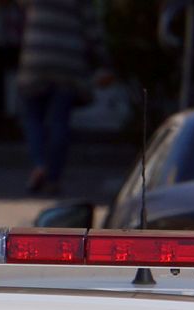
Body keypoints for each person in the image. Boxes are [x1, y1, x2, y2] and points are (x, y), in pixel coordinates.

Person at [17, 0, 114, 195]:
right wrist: (103, 61)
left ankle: (39, 164)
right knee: (59, 121)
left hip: (36, 56)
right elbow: (92, 29)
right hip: (67, 61)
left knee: (33, 118)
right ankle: (53, 178)